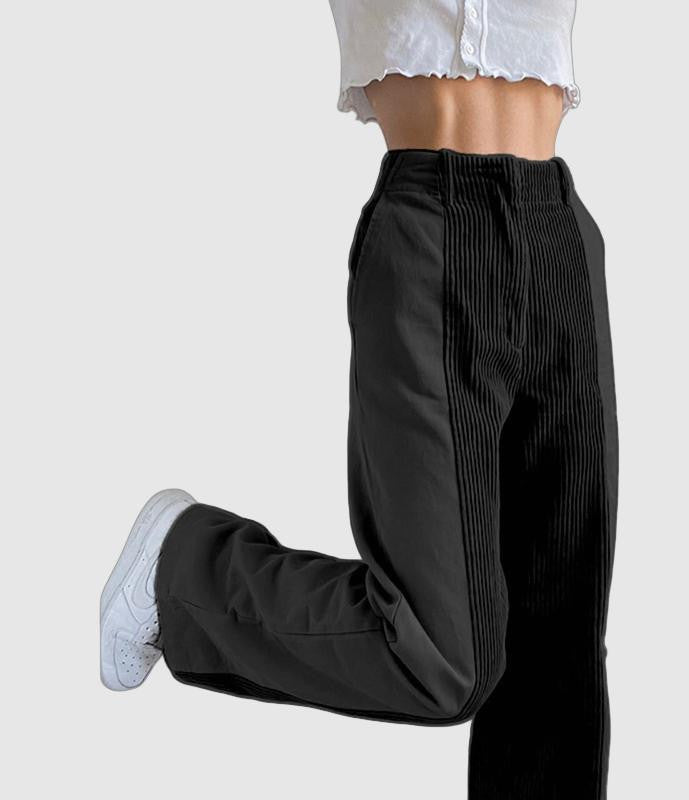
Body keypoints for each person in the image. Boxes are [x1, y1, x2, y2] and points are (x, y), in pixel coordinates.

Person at [100, 2, 618, 797]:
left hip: (561, 235)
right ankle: (184, 567)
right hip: (438, 226)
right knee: (442, 656)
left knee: (560, 657)